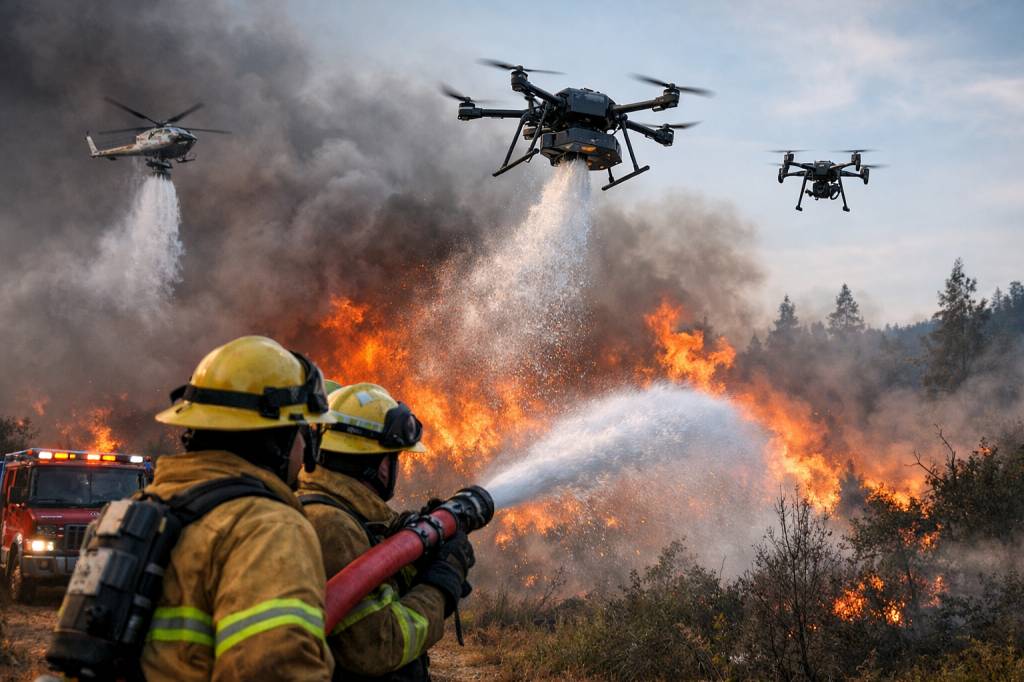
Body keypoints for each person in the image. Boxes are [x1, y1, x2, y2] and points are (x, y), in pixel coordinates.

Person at [142, 335, 337, 681]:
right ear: (278, 437)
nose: (305, 447)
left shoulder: (139, 510)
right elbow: (274, 669)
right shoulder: (267, 528)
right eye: (301, 430)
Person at [297, 383, 475, 681]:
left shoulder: (333, 511)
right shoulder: (335, 527)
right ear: (380, 464)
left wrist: (409, 551)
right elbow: (380, 645)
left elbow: (369, 591)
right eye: (395, 457)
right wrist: (440, 584)